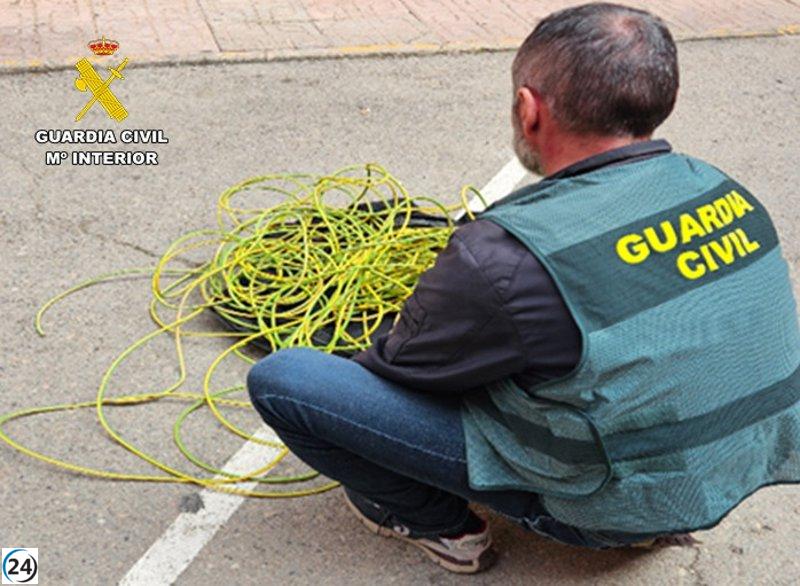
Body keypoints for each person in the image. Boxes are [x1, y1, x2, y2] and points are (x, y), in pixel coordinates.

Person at [247, 2, 800, 574]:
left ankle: (443, 526)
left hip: (609, 508)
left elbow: (401, 370)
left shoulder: (503, 257)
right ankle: (651, 511)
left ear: (528, 109)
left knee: (288, 383)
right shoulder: (720, 189)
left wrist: (437, 308)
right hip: (724, 479)